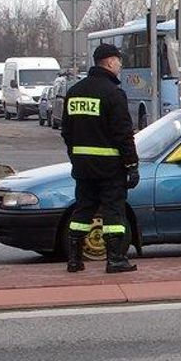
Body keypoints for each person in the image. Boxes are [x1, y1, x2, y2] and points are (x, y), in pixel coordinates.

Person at [61, 43, 140, 273]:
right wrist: (131, 164)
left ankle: (74, 260)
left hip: (83, 167)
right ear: (109, 62)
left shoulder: (74, 92)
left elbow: (66, 131)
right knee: (114, 212)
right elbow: (124, 134)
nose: (120, 65)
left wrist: (76, 156)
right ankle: (115, 259)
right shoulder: (113, 93)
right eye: (118, 61)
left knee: (83, 209)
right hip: (110, 168)